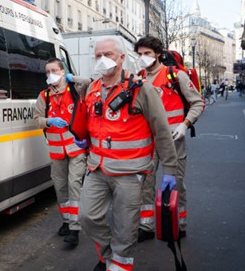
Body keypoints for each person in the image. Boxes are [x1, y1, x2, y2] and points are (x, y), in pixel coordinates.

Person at [76, 37, 178, 271]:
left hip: (130, 172)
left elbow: (161, 132)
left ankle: (119, 266)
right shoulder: (92, 89)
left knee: (125, 227)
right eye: (98, 55)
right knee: (87, 217)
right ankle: (107, 255)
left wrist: (169, 171)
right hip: (97, 168)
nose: (102, 60)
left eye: (108, 54)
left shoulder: (143, 89)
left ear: (122, 58)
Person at [134, 35, 204, 242]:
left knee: (177, 184)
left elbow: (198, 103)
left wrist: (185, 124)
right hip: (147, 140)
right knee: (145, 183)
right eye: (140, 54)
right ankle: (145, 226)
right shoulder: (138, 78)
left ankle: (179, 224)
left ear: (158, 53)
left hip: (174, 139)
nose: (143, 57)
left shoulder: (176, 76)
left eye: (147, 53)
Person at [33, 58, 88, 246]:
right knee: (60, 187)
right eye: (47, 72)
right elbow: (37, 119)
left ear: (62, 71)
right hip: (56, 150)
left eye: (54, 70)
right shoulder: (44, 96)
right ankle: (66, 222)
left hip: (76, 148)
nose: (50, 75)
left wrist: (74, 78)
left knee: (74, 185)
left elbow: (89, 83)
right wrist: (49, 121)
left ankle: (75, 227)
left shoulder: (74, 89)